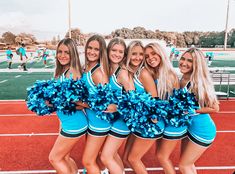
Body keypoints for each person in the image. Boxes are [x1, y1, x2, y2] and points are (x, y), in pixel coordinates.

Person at [123, 41, 165, 174]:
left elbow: (155, 99)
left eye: (141, 54)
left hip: (151, 122)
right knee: (126, 158)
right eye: (134, 54)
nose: (138, 57)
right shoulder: (130, 72)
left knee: (133, 159)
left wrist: (151, 121)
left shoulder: (143, 73)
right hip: (139, 122)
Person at [48, 38, 88, 174]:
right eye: (60, 52)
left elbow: (82, 104)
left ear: (73, 55)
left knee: (54, 158)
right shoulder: (64, 72)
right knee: (64, 157)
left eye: (67, 52)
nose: (62, 55)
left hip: (74, 123)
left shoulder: (72, 72)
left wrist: (56, 102)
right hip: (67, 122)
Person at [178, 47, 219, 174]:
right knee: (188, 165)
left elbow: (215, 108)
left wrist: (194, 111)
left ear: (197, 64)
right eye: (183, 59)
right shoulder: (182, 78)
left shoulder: (198, 83)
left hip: (202, 131)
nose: (184, 63)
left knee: (184, 166)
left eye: (190, 61)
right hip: (190, 127)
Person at [144, 43, 180, 174]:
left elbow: (176, 103)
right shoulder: (154, 73)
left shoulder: (170, 75)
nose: (150, 58)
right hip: (163, 120)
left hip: (173, 122)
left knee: (162, 157)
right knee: (160, 155)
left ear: (161, 54)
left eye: (154, 53)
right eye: (147, 56)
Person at [100, 38, 134, 174]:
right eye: (114, 50)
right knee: (112, 155)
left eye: (121, 52)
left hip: (122, 121)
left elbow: (135, 100)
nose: (117, 54)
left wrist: (117, 107)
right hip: (112, 120)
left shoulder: (122, 73)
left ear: (124, 55)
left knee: (105, 157)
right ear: (108, 51)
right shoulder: (107, 70)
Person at [80, 34, 110, 174]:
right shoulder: (86, 69)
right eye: (89, 48)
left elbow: (105, 104)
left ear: (101, 52)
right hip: (91, 120)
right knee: (95, 159)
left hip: (99, 123)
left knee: (88, 161)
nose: (92, 52)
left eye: (96, 49)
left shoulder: (98, 73)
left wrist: (81, 104)